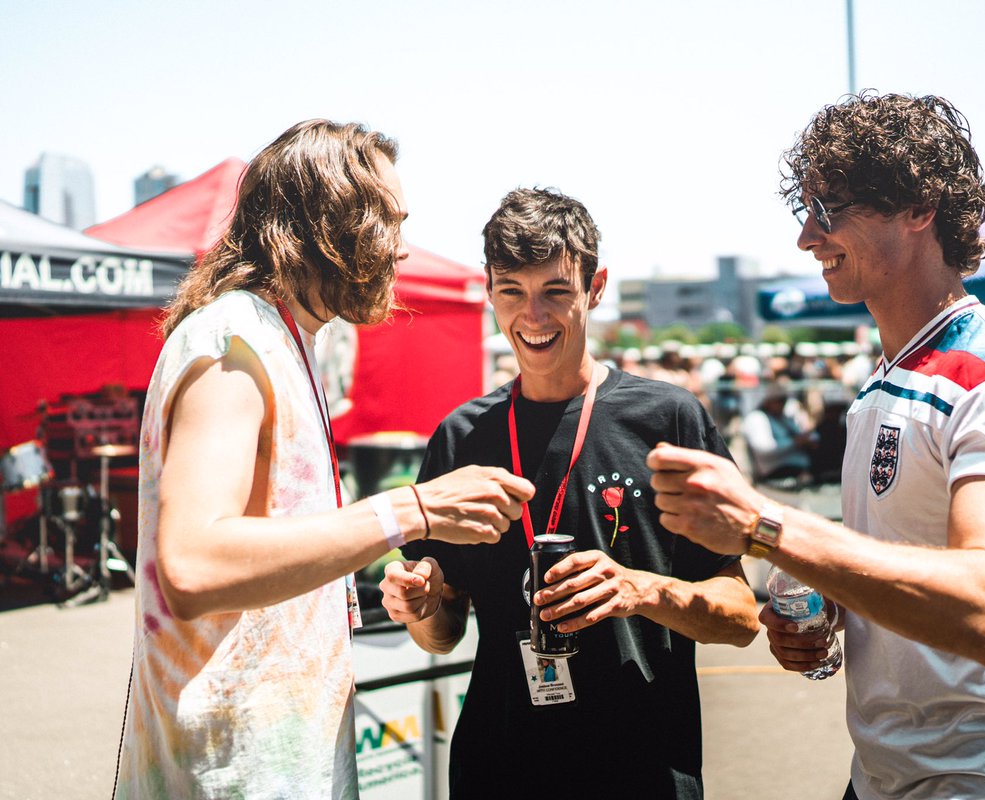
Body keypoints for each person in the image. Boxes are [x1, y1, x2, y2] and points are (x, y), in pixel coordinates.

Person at [648, 93, 985, 800]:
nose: (806, 239)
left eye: (828, 212)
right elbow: (907, 562)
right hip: (883, 776)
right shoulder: (885, 378)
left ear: (918, 209)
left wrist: (767, 526)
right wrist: (830, 610)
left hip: (984, 783)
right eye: (807, 212)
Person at [115, 120, 534, 799]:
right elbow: (192, 563)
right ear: (328, 221)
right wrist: (413, 508)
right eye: (388, 222)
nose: (401, 248)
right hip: (235, 774)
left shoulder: (283, 338)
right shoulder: (233, 340)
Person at [379, 187, 758, 799]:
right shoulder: (461, 436)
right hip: (497, 770)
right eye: (513, 291)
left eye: (556, 290)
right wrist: (420, 608)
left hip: (642, 770)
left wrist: (642, 590)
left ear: (596, 286)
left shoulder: (668, 421)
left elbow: (741, 617)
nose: (533, 316)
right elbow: (444, 632)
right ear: (490, 292)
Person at [740, 378, 814, 484]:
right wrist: (794, 442)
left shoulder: (784, 417)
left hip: (800, 467)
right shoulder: (757, 418)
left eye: (784, 400)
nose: (782, 404)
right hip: (775, 472)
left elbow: (804, 435)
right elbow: (764, 448)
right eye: (778, 400)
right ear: (768, 401)